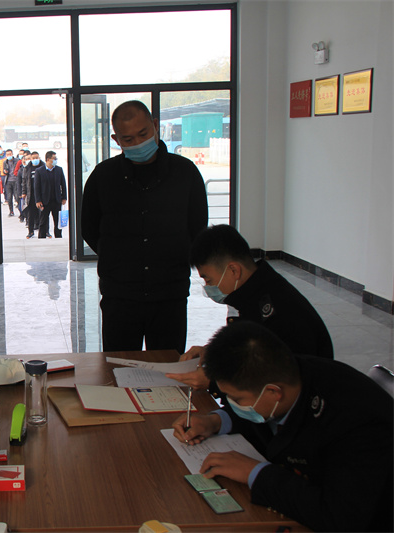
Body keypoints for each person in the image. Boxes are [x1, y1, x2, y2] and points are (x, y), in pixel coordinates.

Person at [172, 322, 392, 532]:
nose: (232, 403)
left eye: (236, 399)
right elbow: (259, 408)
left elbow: (339, 518)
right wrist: (216, 421)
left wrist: (255, 473)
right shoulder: (282, 371)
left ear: (274, 392)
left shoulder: (357, 424)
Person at [81, 100, 207, 354]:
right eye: (128, 139)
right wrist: (118, 259)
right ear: (116, 139)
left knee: (167, 368)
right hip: (120, 296)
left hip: (169, 295)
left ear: (155, 126)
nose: (138, 143)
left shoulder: (185, 173)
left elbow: (197, 227)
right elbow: (90, 229)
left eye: (143, 134)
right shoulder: (103, 177)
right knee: (117, 368)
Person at [167, 225, 334, 389]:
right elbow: (247, 350)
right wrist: (212, 353)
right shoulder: (255, 292)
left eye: (209, 280)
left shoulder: (277, 313)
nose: (208, 287)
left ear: (234, 270)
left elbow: (275, 382)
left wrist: (215, 382)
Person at [34, 150, 67, 239]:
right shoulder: (39, 171)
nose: (55, 160)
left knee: (57, 222)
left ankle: (58, 237)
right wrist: (38, 200)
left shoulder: (59, 170)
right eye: (54, 158)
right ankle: (41, 238)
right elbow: (37, 187)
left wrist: (64, 197)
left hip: (56, 200)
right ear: (48, 159)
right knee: (43, 221)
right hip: (45, 201)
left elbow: (63, 184)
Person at [2, 149, 21, 217]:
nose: (9, 155)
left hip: (15, 181)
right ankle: (11, 211)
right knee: (9, 198)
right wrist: (5, 172)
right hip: (8, 181)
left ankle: (21, 212)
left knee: (17, 197)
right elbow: (4, 171)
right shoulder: (5, 162)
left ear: (12, 154)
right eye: (7, 154)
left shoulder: (17, 160)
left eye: (10, 154)